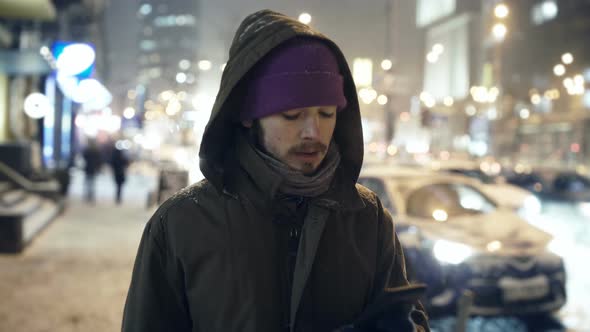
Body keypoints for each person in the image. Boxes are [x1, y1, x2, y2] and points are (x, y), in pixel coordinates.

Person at [122, 9, 429, 332]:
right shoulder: (181, 224)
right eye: (292, 115)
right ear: (247, 115)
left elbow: (411, 318)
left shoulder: (367, 218)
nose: (313, 131)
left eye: (326, 113)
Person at [81, 139, 102, 203]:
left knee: (88, 182)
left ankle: (88, 195)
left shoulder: (87, 150)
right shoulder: (96, 150)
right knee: (92, 183)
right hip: (93, 168)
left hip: (88, 168)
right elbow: (99, 160)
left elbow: (84, 157)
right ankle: (91, 195)